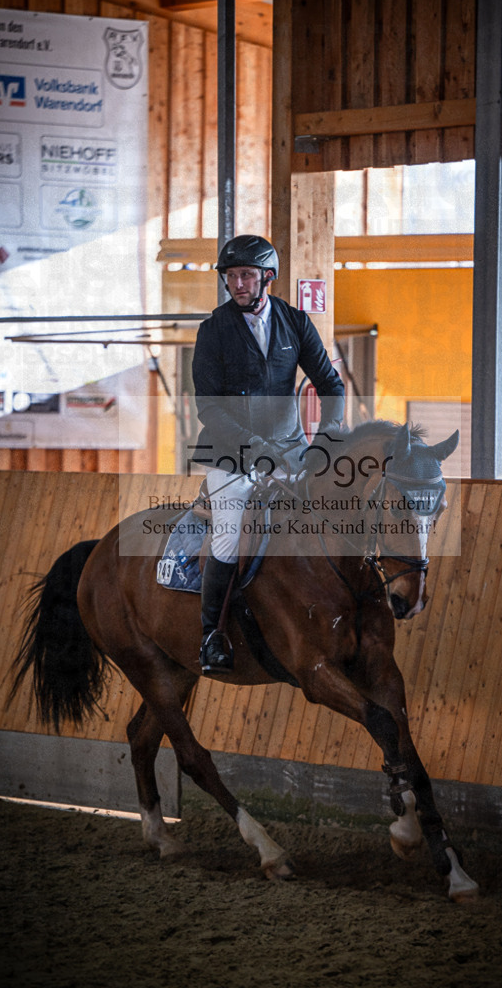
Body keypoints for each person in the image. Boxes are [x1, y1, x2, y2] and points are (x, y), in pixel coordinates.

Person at [191, 234, 345, 674]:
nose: (237, 284)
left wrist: (326, 439)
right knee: (229, 531)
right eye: (231, 276)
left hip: (292, 450)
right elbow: (209, 406)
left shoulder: (295, 323)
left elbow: (330, 386)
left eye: (245, 276)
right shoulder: (213, 331)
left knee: (330, 513)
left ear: (267, 279)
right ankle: (211, 638)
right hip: (231, 456)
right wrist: (256, 448)